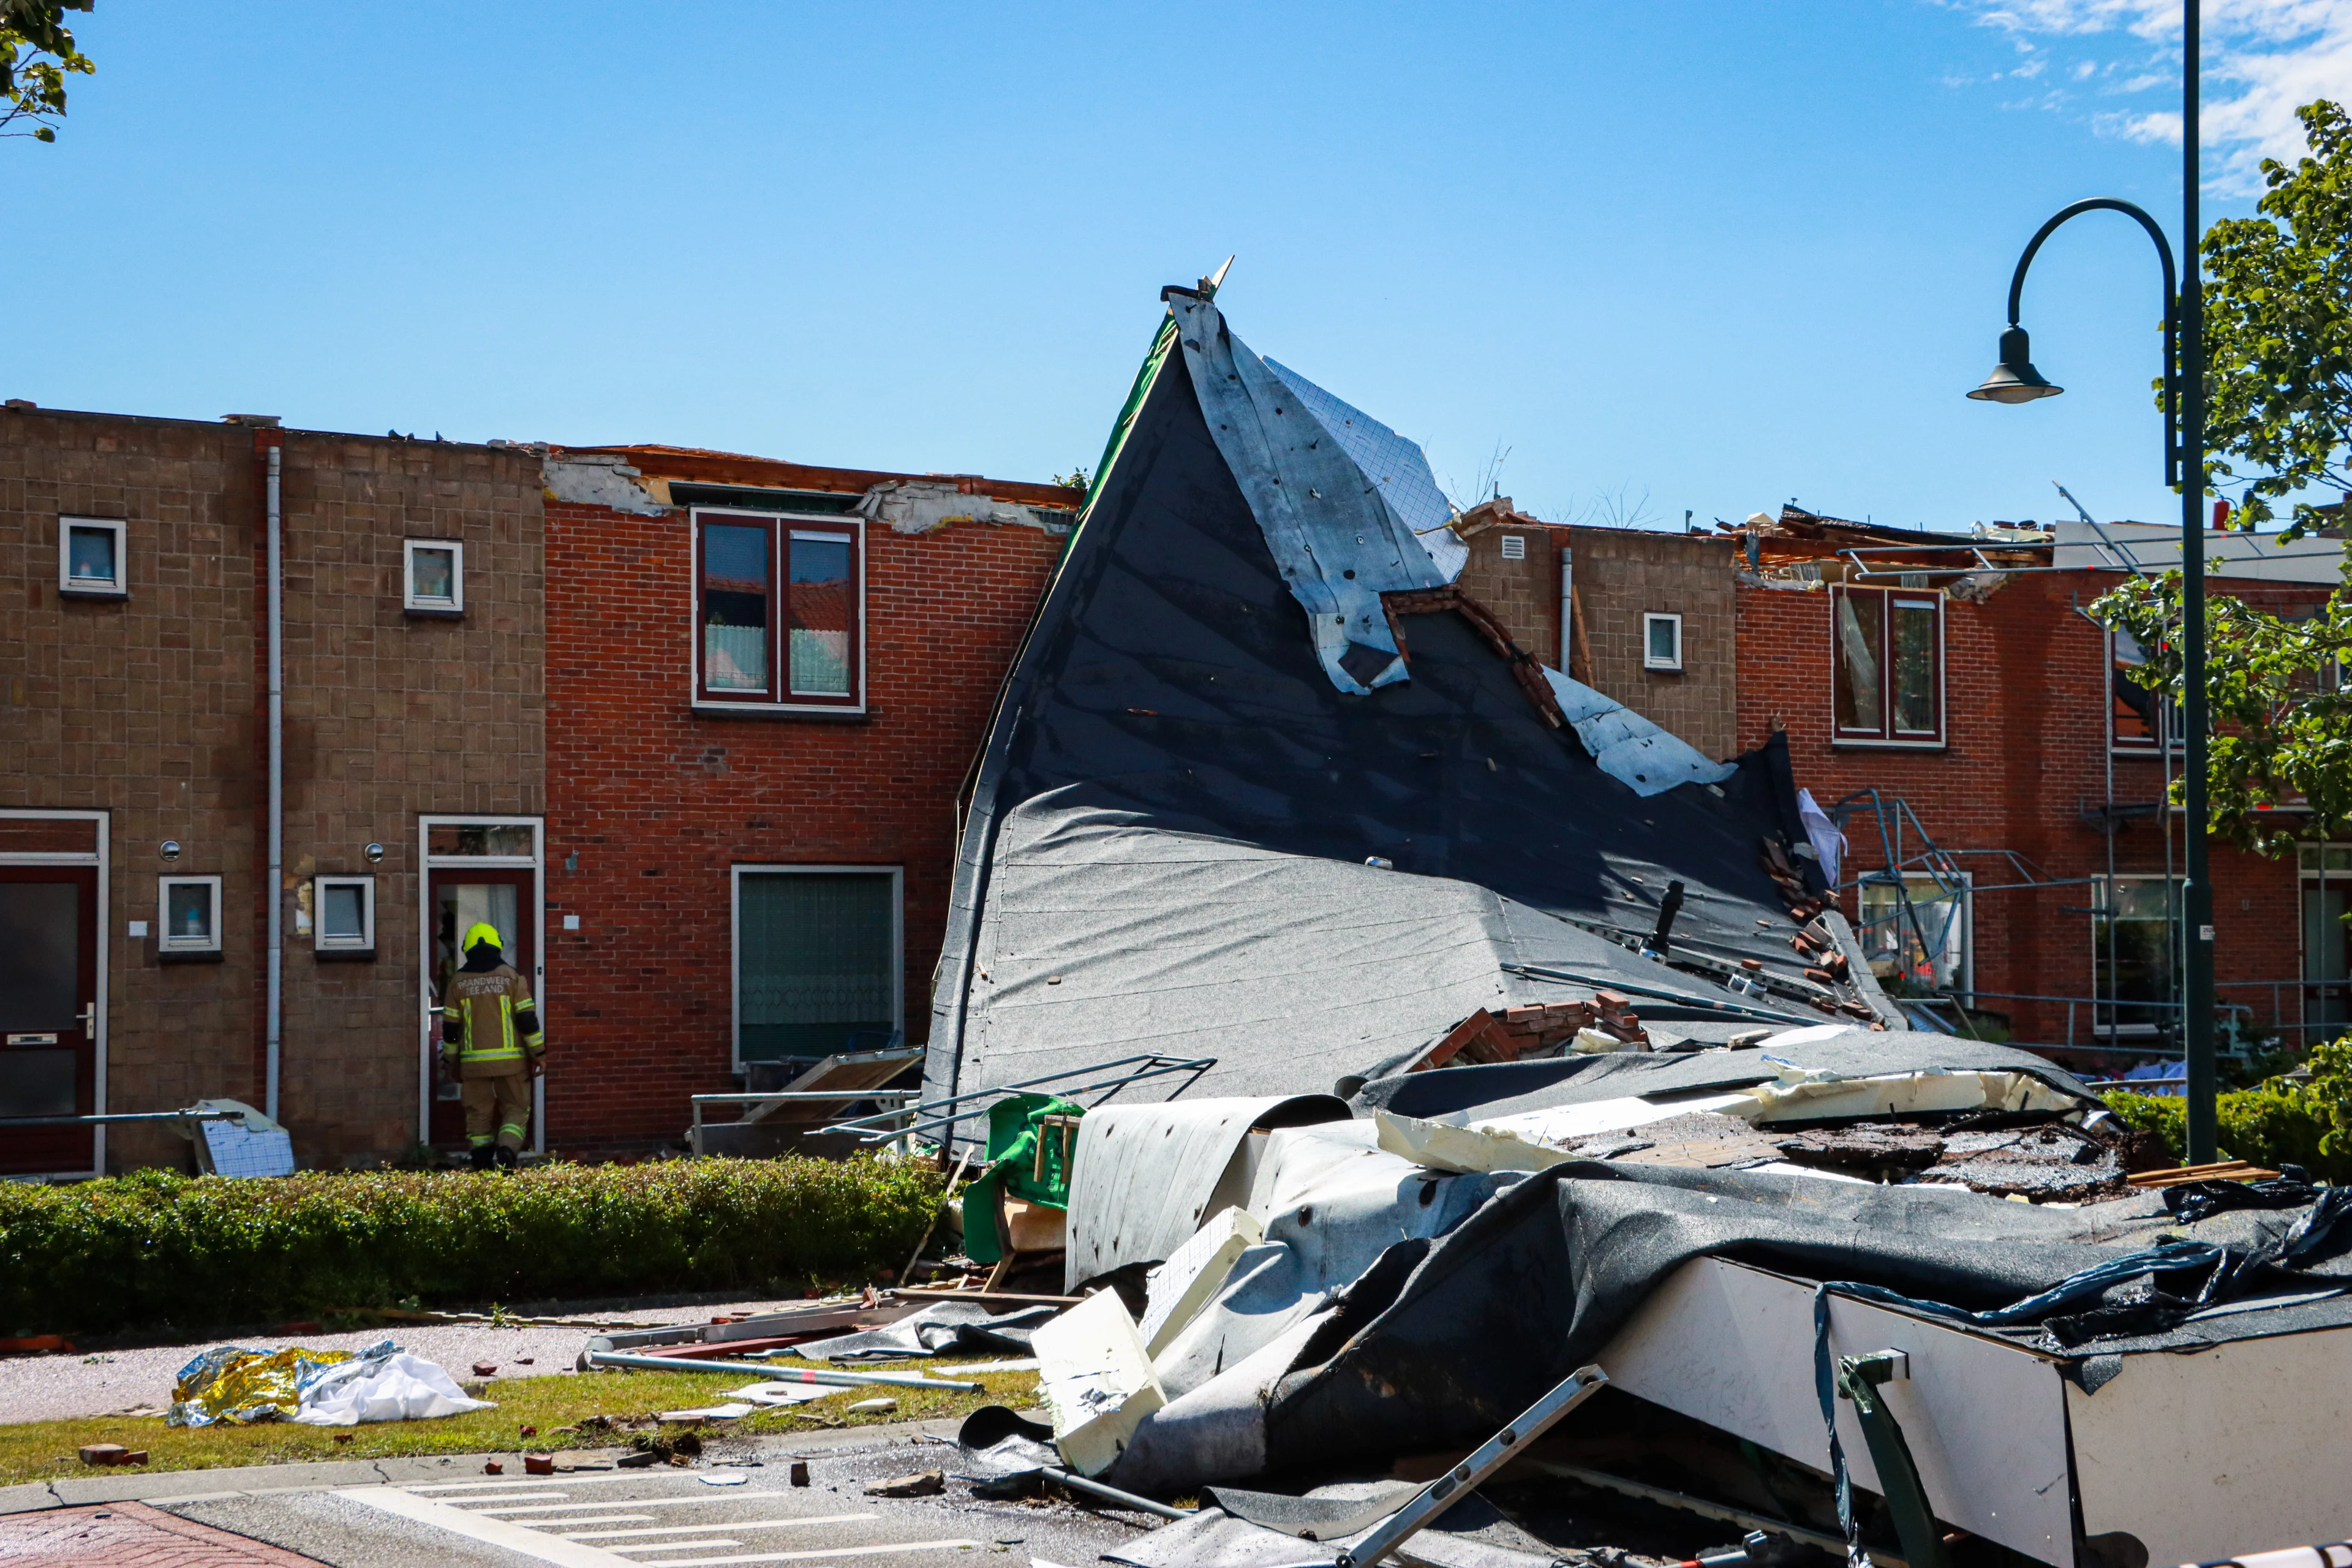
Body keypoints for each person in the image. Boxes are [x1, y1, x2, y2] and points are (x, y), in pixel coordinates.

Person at [439, 922, 544, 1169]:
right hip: (512, 1063)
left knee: (478, 1114)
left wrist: (450, 1062)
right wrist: (539, 1054)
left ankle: (482, 1164)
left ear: (467, 950)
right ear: (498, 948)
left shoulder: (457, 983)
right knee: (517, 1108)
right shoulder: (512, 978)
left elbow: (451, 1030)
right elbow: (527, 1020)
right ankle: (507, 1149)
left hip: (474, 1066)